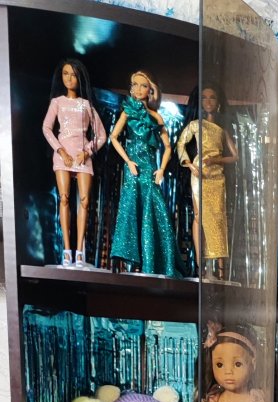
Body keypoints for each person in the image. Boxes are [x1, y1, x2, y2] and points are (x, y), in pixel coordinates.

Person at [109, 69, 183, 277]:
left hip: (149, 170)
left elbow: (168, 147)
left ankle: (152, 262)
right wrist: (128, 161)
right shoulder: (127, 112)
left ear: (151, 90)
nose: (139, 89)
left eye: (144, 85)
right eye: (136, 85)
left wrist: (161, 169)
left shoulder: (155, 116)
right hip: (133, 169)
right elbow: (113, 137)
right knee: (131, 210)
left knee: (153, 212)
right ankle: (132, 263)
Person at [42, 58, 107, 267]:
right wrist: (60, 150)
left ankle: (80, 251)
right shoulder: (57, 102)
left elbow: (101, 135)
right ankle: (66, 250)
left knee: (85, 201)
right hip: (63, 155)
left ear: (80, 78)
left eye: (73, 74)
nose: (69, 78)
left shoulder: (86, 105)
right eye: (65, 74)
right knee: (64, 198)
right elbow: (46, 128)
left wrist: (86, 152)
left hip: (81, 156)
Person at [176, 83, 237, 279]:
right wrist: (189, 164)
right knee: (198, 216)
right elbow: (180, 144)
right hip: (199, 173)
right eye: (204, 98)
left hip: (217, 175)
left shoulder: (222, 130)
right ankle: (199, 263)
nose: (208, 101)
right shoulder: (195, 125)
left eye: (212, 97)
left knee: (218, 218)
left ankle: (220, 268)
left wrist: (216, 160)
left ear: (218, 103)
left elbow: (235, 156)